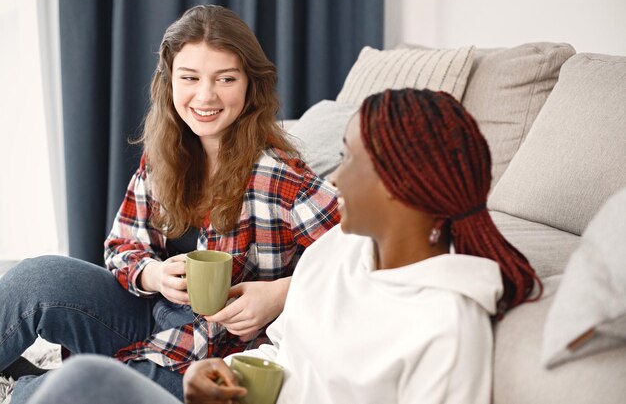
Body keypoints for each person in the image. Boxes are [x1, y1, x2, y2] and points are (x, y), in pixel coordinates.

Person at [22, 88, 542, 404]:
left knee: (80, 384)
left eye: (353, 161)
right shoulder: (336, 253)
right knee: (77, 368)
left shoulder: (446, 327)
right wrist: (216, 379)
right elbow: (283, 352)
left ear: (403, 186)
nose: (336, 178)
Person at [0, 4, 339, 403]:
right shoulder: (165, 156)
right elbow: (122, 245)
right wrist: (154, 275)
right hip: (153, 318)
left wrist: (283, 293)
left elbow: (360, 260)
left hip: (214, 358)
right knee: (35, 277)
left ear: (250, 85)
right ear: (170, 82)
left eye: (225, 78)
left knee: (70, 390)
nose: (206, 95)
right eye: (190, 78)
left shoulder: (283, 179)